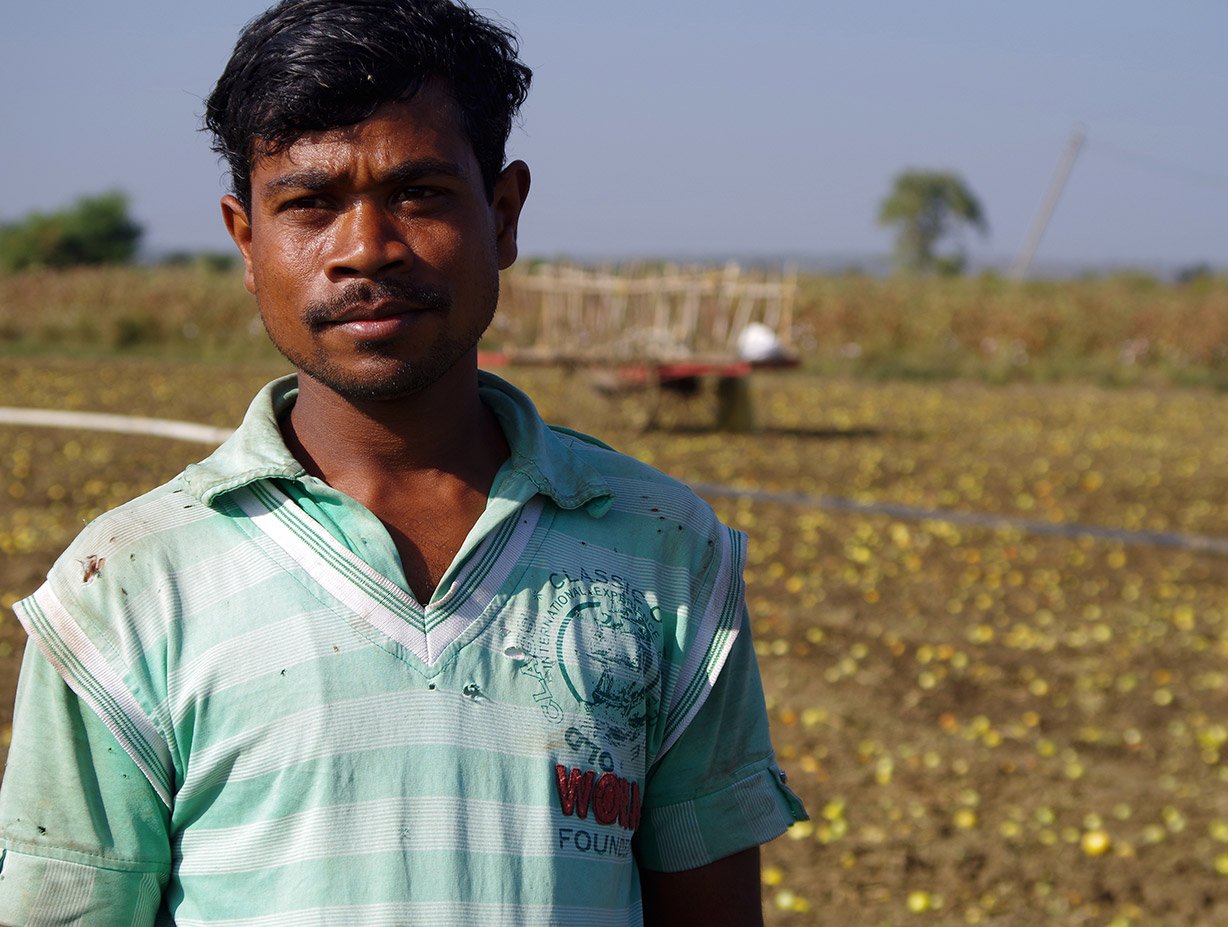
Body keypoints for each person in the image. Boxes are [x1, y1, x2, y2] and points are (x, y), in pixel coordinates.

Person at [0, 1, 807, 923]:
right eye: (309, 204)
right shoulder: (129, 582)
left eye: (420, 194)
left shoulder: (664, 549)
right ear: (246, 242)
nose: (366, 249)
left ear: (503, 216)